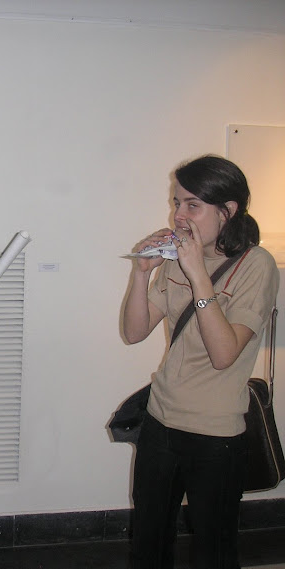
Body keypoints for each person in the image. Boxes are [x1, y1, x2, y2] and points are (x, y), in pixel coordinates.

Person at [122, 155, 279, 568]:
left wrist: (199, 276)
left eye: (193, 205)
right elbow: (134, 332)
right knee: (148, 545)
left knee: (214, 552)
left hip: (215, 437)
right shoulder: (176, 259)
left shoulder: (256, 266)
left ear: (227, 211)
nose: (179, 215)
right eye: (177, 203)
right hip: (160, 422)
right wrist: (141, 272)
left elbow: (224, 354)